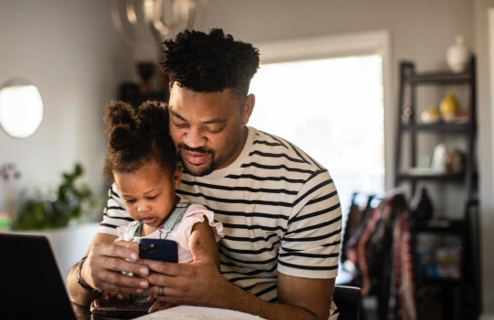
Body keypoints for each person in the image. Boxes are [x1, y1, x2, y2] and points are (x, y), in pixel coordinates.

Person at [67, 28, 342, 320]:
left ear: (246, 109)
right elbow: (76, 292)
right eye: (179, 121)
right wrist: (86, 274)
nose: (193, 141)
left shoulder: (304, 187)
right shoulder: (148, 165)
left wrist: (221, 297)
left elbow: (310, 317)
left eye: (212, 127)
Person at [89, 100, 224, 312]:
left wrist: (181, 296)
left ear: (176, 177)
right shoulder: (127, 236)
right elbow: (124, 284)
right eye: (130, 200)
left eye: (151, 196)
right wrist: (116, 293)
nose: (142, 208)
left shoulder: (192, 223)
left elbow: (209, 282)